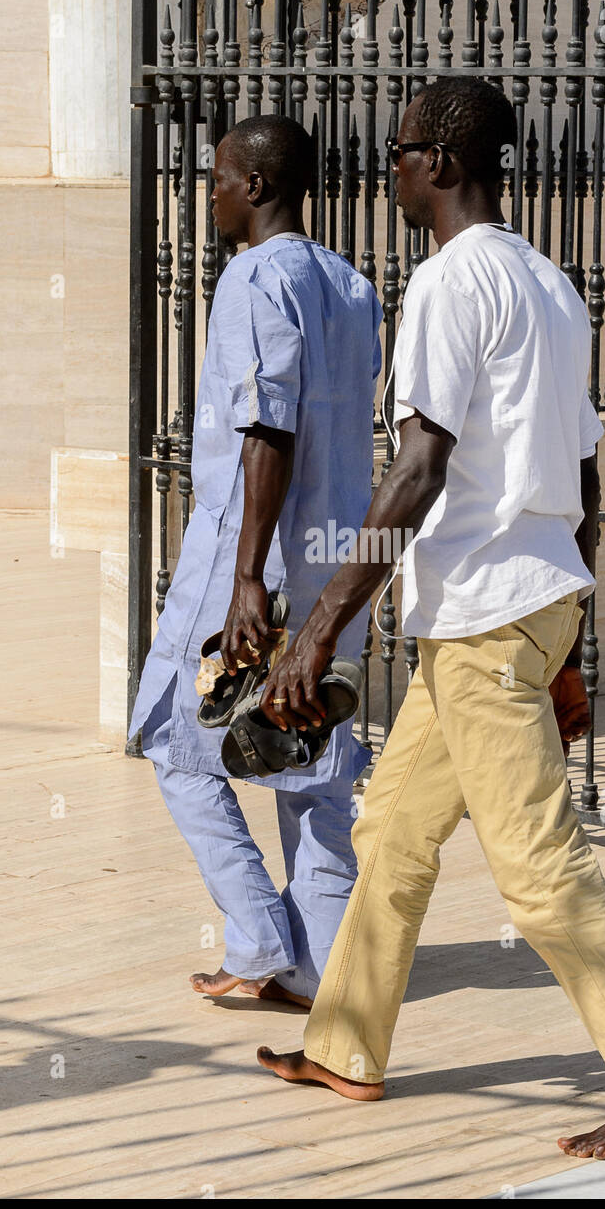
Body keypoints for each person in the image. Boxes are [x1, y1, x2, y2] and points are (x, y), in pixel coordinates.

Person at [255, 78, 605, 1158]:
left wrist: (322, 621)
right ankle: (346, 1042)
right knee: (394, 829)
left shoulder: (453, 282)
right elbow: (590, 470)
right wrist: (568, 631)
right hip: (522, 603)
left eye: (403, 149)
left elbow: (418, 467)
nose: (392, 167)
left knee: (537, 864)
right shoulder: (548, 282)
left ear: (445, 163)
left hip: (483, 621)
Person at [127, 114, 382, 1008]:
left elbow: (266, 426)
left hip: (254, 559)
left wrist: (244, 579)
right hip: (332, 563)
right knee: (310, 762)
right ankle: (317, 966)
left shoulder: (251, 277)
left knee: (172, 738)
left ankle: (260, 940)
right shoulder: (353, 287)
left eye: (220, 178)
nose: (213, 194)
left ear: (258, 186)